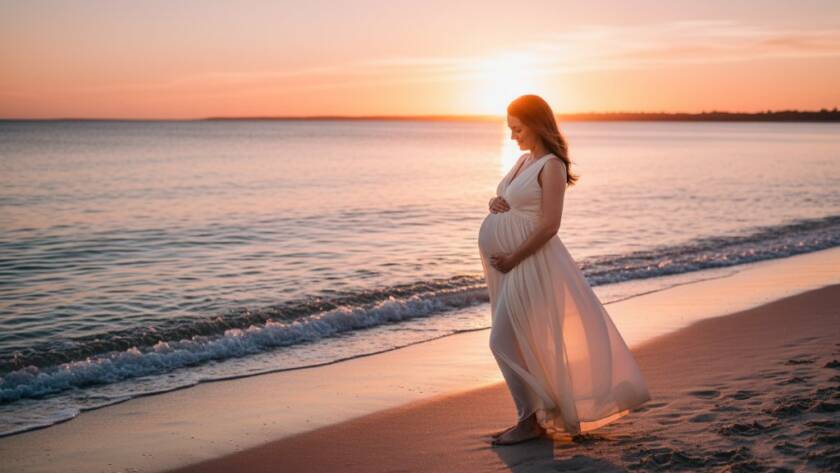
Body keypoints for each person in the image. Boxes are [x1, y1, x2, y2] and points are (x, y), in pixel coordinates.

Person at [477, 94, 651, 446]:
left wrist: (513, 258)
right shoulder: (524, 160)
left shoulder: (551, 166)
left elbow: (550, 225)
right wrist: (496, 203)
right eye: (510, 129)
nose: (513, 136)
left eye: (518, 128)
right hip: (511, 265)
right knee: (517, 339)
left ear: (537, 125)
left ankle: (530, 421)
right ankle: (535, 416)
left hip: (530, 262)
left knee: (501, 341)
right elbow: (513, 204)